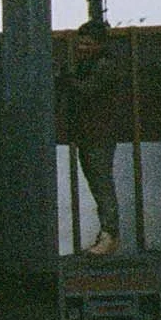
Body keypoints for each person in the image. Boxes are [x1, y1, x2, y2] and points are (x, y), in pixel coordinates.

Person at [59, 20, 127, 254]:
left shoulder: (104, 66)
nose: (82, 48)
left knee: (102, 184)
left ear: (99, 44)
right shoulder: (93, 64)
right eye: (81, 43)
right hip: (91, 134)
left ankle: (110, 234)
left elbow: (87, 90)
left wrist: (67, 80)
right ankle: (107, 234)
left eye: (87, 43)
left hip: (99, 134)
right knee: (99, 184)